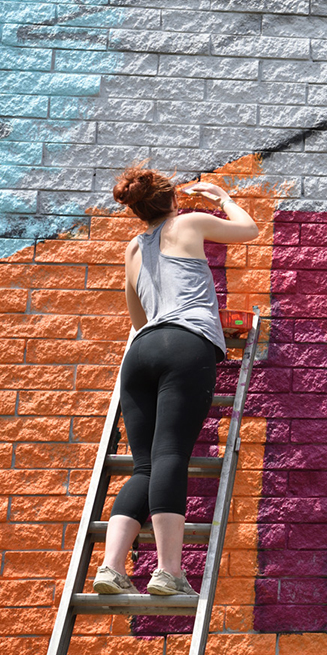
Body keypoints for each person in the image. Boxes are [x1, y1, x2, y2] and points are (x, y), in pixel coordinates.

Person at [91, 164, 258, 596]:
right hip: (185, 347)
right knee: (170, 459)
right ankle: (168, 572)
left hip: (141, 352)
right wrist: (222, 199)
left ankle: (111, 567)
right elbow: (248, 229)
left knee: (144, 465)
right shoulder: (188, 222)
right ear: (171, 200)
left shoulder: (132, 249)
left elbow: (138, 318)